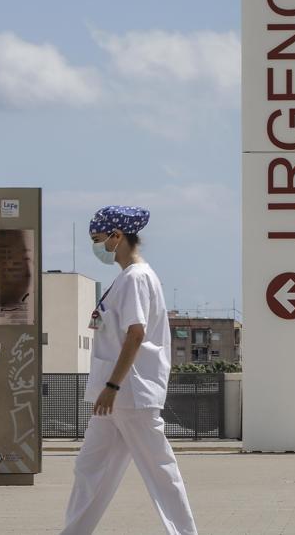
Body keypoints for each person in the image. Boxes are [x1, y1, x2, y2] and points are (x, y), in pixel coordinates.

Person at [62, 206, 198, 535]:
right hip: (114, 398)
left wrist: (113, 385)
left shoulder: (136, 278)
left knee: (160, 472)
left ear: (117, 236)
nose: (97, 247)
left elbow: (135, 334)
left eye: (98, 240)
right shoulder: (126, 278)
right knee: (89, 468)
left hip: (128, 394)